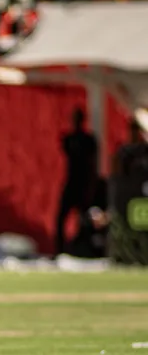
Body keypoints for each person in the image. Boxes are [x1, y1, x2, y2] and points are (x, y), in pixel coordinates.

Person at [56, 108, 98, 256]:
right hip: (72, 182)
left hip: (83, 184)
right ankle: (60, 250)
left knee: (85, 219)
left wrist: (91, 186)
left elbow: (92, 164)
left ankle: (86, 248)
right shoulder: (70, 139)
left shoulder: (88, 141)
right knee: (61, 218)